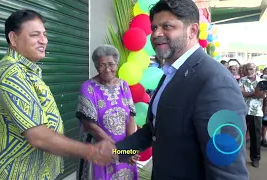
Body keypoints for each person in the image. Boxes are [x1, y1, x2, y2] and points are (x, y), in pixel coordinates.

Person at [114, 0, 248, 179]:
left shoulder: (216, 81)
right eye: (154, 28)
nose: (156, 34)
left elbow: (227, 170)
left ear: (192, 30)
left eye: (167, 26)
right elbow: (153, 131)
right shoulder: (170, 74)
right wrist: (118, 152)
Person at [0, 9, 115, 180]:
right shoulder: (11, 73)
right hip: (14, 174)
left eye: (44, 34)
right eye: (35, 35)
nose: (44, 40)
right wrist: (92, 151)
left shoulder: (27, 71)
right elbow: (38, 137)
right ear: (13, 38)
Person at [76, 45, 139, 180]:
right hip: (99, 149)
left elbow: (131, 118)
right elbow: (90, 126)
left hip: (124, 149)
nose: (107, 69)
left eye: (111, 64)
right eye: (102, 65)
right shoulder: (88, 87)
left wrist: (129, 149)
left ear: (117, 64)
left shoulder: (123, 85)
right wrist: (119, 151)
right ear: (96, 66)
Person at [239, 63, 266, 167]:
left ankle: (256, 158)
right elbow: (241, 93)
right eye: (247, 69)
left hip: (256, 112)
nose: (249, 71)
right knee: (240, 134)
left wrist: (265, 108)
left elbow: (264, 96)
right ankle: (238, 158)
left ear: (255, 69)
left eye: (251, 69)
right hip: (243, 110)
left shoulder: (261, 81)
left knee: (256, 137)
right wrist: (256, 93)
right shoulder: (242, 80)